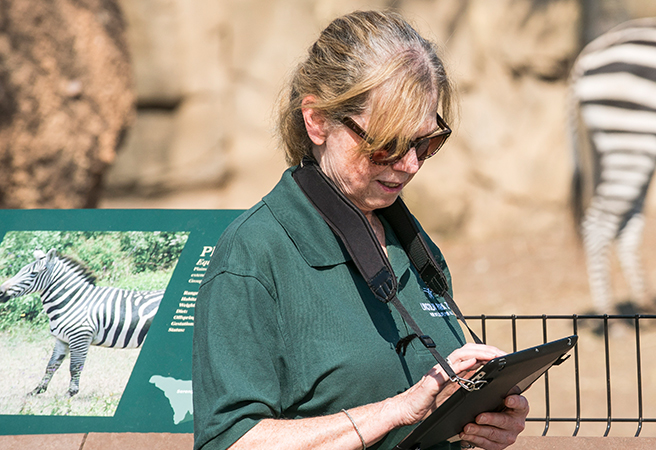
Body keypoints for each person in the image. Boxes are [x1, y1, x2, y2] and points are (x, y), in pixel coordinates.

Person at [192, 10, 528, 450]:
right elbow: (227, 443)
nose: (408, 165)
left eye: (425, 143)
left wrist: (474, 424)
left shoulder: (408, 239)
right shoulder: (253, 256)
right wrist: (394, 411)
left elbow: (424, 417)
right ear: (316, 121)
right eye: (386, 143)